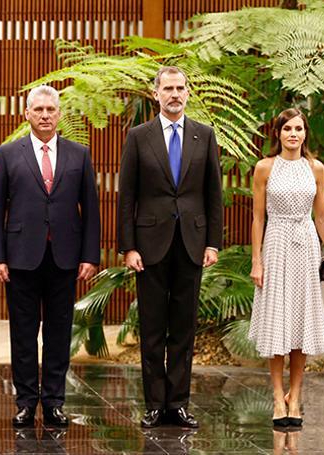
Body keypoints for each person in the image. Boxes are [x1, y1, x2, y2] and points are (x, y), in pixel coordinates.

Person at [0, 85, 101, 428]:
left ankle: (53, 402)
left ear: (60, 114)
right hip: (20, 257)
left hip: (65, 257)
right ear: (27, 114)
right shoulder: (7, 153)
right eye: (39, 110)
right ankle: (24, 402)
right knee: (23, 333)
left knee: (58, 332)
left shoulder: (79, 155)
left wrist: (89, 256)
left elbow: (91, 210)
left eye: (51, 109)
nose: (45, 115)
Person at [117, 66, 223, 429]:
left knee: (183, 328)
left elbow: (213, 194)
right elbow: (126, 195)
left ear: (188, 92)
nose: (175, 94)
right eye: (168, 89)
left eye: (180, 88)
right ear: (157, 93)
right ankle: (153, 405)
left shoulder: (204, 136)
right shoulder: (138, 137)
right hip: (149, 247)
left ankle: (177, 403)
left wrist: (213, 242)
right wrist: (128, 246)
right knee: (151, 329)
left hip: (192, 244)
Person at [248, 108, 324, 427]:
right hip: (275, 244)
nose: (293, 134)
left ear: (305, 133)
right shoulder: (264, 168)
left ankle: (295, 397)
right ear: (278, 133)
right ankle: (276, 397)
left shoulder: (316, 168)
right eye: (287, 128)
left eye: (299, 129)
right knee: (277, 323)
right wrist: (256, 261)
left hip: (306, 245)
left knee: (300, 323)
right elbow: (258, 217)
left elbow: (322, 216)